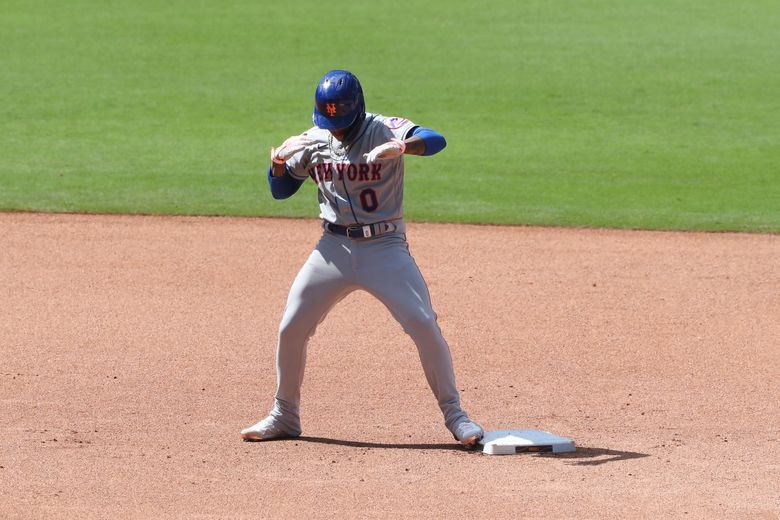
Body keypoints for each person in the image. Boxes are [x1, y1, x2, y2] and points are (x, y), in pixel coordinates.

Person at [241, 70, 483, 448]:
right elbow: (281, 191)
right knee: (292, 326)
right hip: (332, 250)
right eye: (328, 119)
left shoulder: (384, 128)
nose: (335, 128)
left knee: (422, 322)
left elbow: (437, 140)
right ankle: (285, 415)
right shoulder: (314, 140)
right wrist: (275, 166)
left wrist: (404, 148)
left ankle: (456, 416)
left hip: (385, 248)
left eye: (340, 120)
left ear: (358, 109)